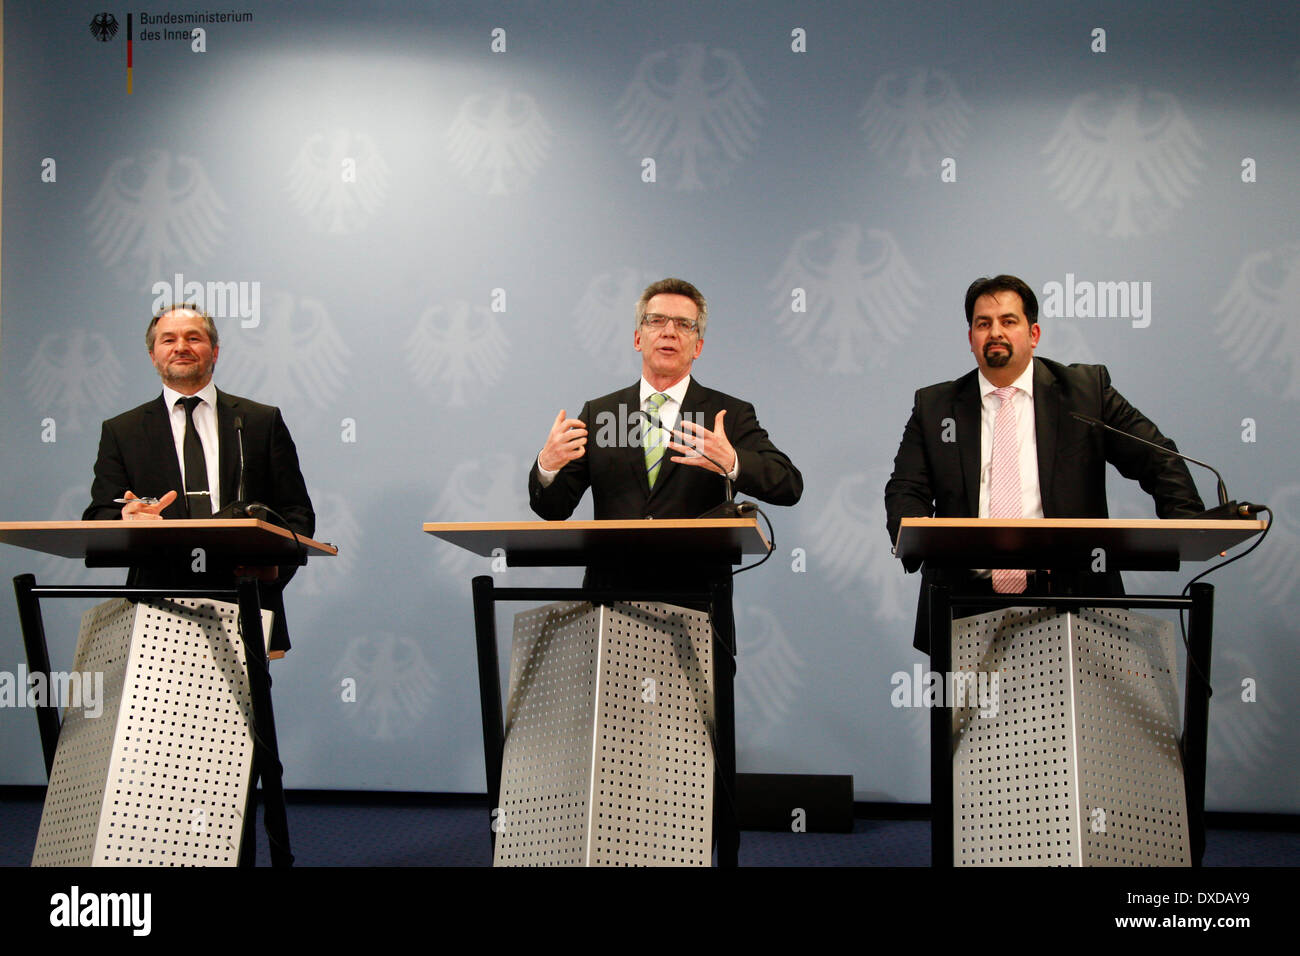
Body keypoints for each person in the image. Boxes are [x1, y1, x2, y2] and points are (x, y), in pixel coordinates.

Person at [884, 274, 1204, 652]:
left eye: (1008, 321)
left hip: (1073, 600)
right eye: (983, 324)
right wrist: (916, 532)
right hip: (966, 606)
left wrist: (1188, 522)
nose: (995, 332)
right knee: (972, 714)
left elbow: (1156, 455)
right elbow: (906, 488)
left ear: (1034, 333)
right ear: (970, 338)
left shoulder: (1085, 393)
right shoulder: (935, 407)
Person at [84, 303, 315, 655]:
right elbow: (99, 514)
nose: (181, 347)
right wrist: (124, 519)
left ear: (215, 352)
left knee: (244, 711)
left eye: (194, 337)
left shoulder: (258, 422)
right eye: (168, 339)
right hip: (156, 605)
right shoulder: (122, 431)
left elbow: (297, 516)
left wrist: (267, 577)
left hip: (246, 602)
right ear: (152, 355)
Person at [529, 277, 802, 529]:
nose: (669, 332)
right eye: (657, 320)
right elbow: (553, 509)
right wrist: (547, 466)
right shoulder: (600, 414)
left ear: (698, 347)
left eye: (684, 324)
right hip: (613, 580)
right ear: (638, 339)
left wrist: (732, 461)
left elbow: (788, 485)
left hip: (694, 580)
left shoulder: (728, 415)